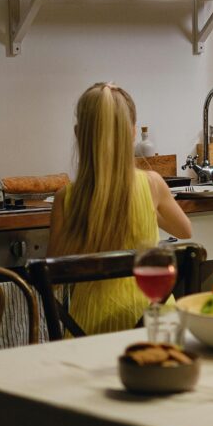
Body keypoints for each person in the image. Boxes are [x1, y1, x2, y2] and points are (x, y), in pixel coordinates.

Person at [46, 82, 192, 334]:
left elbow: (55, 279)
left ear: (79, 133)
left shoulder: (65, 198)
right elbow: (185, 231)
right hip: (153, 324)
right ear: (133, 132)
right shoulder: (153, 185)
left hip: (89, 329)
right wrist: (148, 206)